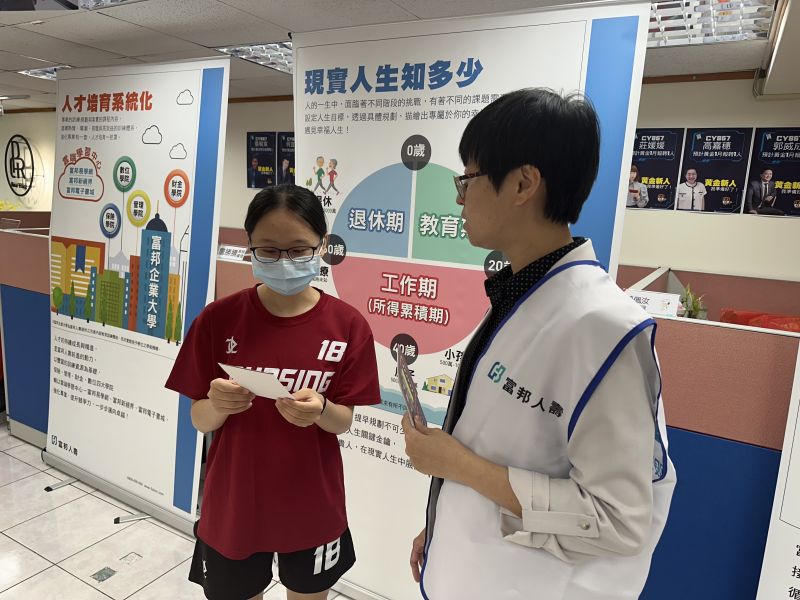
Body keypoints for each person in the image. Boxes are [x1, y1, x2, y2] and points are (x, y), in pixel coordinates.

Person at [402, 88, 676, 600]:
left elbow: (618, 520)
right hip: (469, 570)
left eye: (468, 179)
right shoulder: (522, 293)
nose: (459, 198)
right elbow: (505, 444)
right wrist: (442, 521)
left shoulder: (604, 327)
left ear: (523, 183)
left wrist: (456, 466)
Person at [165, 184, 380, 600]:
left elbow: (343, 422)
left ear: (321, 245)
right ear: (249, 246)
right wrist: (218, 405)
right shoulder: (218, 320)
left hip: (312, 502)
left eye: (299, 250)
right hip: (235, 501)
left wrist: (321, 409)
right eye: (268, 250)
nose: (284, 262)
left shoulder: (347, 326)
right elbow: (198, 418)